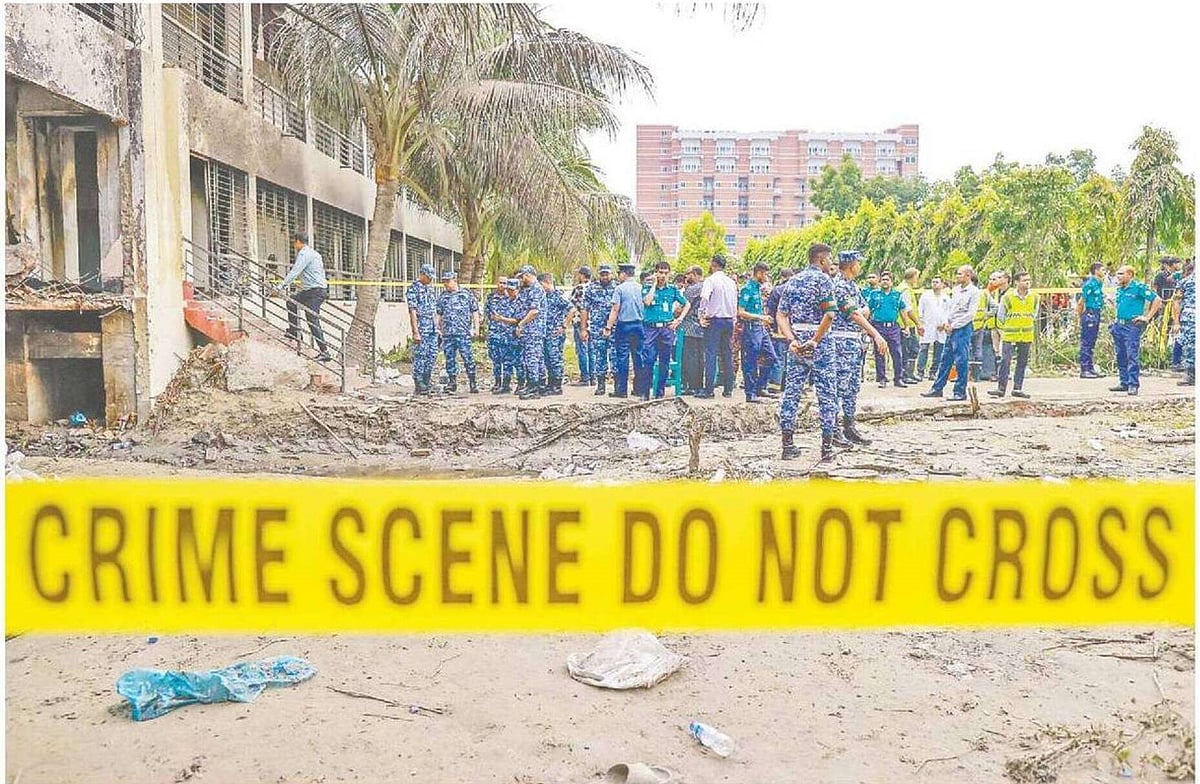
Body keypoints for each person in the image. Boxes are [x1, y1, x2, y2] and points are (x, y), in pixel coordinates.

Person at [777, 243, 840, 461]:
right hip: (820, 342)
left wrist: (792, 340)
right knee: (827, 393)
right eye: (830, 259)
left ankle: (787, 444)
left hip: (796, 340)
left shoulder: (792, 281)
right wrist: (815, 340)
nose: (831, 264)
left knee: (792, 392)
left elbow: (781, 315)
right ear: (821, 260)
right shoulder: (824, 281)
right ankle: (827, 448)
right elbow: (830, 314)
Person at [832, 251, 889, 445]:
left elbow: (865, 309)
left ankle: (849, 426)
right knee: (839, 386)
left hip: (854, 342)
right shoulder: (839, 286)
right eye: (858, 263)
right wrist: (876, 333)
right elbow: (854, 314)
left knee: (852, 387)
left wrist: (860, 313)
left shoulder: (853, 286)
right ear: (850, 265)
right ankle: (833, 428)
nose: (860, 267)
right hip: (841, 342)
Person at [921, 264, 981, 402]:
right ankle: (937, 388)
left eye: (960, 274)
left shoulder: (974, 292)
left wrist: (953, 325)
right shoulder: (955, 290)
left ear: (968, 275)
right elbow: (951, 309)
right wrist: (946, 322)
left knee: (961, 360)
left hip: (962, 328)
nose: (957, 276)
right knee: (945, 359)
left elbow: (970, 314)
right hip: (950, 327)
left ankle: (960, 391)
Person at [277, 231, 332, 362]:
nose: (294, 245)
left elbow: (296, 271)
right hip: (311, 290)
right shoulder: (314, 253)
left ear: (298, 241)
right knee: (291, 302)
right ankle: (294, 331)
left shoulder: (304, 254)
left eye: (294, 242)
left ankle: (325, 352)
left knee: (312, 319)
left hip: (315, 291)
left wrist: (281, 286)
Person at [639, 260, 689, 400]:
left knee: (664, 361)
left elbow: (686, 304)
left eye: (666, 273)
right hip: (650, 329)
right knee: (648, 360)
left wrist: (679, 320)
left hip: (666, 329)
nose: (663, 276)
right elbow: (647, 302)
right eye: (660, 272)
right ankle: (645, 393)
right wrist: (654, 284)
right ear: (656, 272)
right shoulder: (647, 287)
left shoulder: (672, 289)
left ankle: (659, 393)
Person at [1109, 264, 1162, 396]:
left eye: (1121, 274)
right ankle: (1124, 382)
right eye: (1118, 274)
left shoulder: (1138, 288)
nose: (1118, 276)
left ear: (1130, 275)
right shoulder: (1120, 289)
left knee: (1132, 355)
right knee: (1120, 354)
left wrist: (1147, 317)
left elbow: (1157, 300)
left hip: (1131, 326)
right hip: (1119, 325)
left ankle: (1133, 384)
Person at [988, 271, 1038, 398]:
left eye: (1028, 280)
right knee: (1005, 361)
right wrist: (1007, 328)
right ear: (1016, 282)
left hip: (1026, 335)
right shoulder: (1008, 297)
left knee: (1022, 362)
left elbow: (1034, 314)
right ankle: (1001, 388)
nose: (1027, 282)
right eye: (1024, 280)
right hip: (1010, 334)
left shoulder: (1034, 297)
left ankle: (1017, 388)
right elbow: (1001, 315)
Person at [697, 254, 738, 398]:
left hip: (714, 320)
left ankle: (709, 390)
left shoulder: (710, 280)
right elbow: (734, 303)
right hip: (728, 320)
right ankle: (728, 389)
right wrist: (733, 320)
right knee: (727, 354)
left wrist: (701, 316)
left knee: (711, 354)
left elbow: (704, 298)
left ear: (713, 264)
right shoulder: (731, 282)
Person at [737, 262, 777, 403]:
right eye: (765, 274)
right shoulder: (747, 289)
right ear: (759, 273)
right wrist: (761, 317)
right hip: (751, 328)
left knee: (771, 357)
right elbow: (741, 312)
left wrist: (764, 319)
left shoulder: (758, 289)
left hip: (761, 328)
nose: (767, 277)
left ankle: (760, 387)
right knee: (751, 361)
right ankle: (751, 393)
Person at [435, 270, 480, 394]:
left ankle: (472, 382)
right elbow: (439, 314)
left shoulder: (466, 294)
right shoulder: (443, 296)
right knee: (449, 358)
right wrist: (437, 329)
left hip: (463, 333)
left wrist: (476, 328)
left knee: (468, 358)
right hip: (448, 334)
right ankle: (452, 382)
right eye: (444, 281)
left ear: (455, 280)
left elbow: (475, 311)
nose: (445, 284)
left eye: (448, 281)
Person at [606, 262, 646, 399]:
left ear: (623, 274)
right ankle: (639, 389)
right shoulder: (641, 288)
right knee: (638, 357)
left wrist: (608, 327)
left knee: (622, 358)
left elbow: (615, 309)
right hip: (640, 326)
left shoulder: (620, 289)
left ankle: (621, 390)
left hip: (624, 326)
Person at [869, 271, 912, 388]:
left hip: (893, 327)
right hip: (878, 326)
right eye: (883, 279)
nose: (885, 282)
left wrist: (906, 326)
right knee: (880, 352)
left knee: (897, 353)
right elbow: (869, 310)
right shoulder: (874, 294)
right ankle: (882, 378)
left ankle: (898, 378)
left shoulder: (897, 295)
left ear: (891, 282)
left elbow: (903, 311)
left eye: (887, 280)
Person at [580, 265, 617, 396]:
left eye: (607, 274)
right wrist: (583, 329)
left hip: (614, 328)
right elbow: (584, 309)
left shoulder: (617, 287)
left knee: (615, 356)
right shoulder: (591, 288)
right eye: (602, 274)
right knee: (599, 356)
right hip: (597, 328)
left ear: (611, 274)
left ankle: (617, 385)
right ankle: (601, 384)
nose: (605, 277)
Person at [513, 264, 547, 400]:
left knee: (532, 358)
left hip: (533, 329)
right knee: (533, 357)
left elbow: (534, 311)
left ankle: (534, 387)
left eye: (522, 277)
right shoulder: (526, 289)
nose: (521, 279)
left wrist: (521, 324)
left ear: (528, 275)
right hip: (529, 330)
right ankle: (536, 385)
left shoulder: (536, 289)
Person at [539, 273, 575, 396]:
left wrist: (564, 325)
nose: (541, 288)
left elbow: (572, 309)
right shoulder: (543, 297)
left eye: (542, 285)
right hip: (545, 333)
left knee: (555, 359)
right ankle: (551, 383)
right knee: (547, 359)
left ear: (548, 282)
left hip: (555, 333)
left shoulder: (558, 296)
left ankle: (557, 385)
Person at [407, 263, 440, 395]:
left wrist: (437, 327)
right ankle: (419, 383)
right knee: (420, 355)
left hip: (432, 328)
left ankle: (427, 380)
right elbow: (413, 311)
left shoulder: (430, 288)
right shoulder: (413, 289)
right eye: (428, 277)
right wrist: (416, 332)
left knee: (431, 355)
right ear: (422, 274)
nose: (430, 279)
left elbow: (434, 310)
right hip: (422, 327)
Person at [765, 268, 794, 392]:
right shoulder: (798, 289)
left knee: (779, 357)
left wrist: (771, 328)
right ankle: (787, 385)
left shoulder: (777, 290)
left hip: (780, 329)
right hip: (795, 330)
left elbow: (771, 311)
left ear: (782, 277)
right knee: (791, 358)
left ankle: (775, 385)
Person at [915, 275, 949, 381]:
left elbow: (948, 312)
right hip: (927, 325)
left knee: (939, 349)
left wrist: (944, 324)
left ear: (942, 284)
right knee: (924, 347)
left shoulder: (946, 297)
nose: (934, 284)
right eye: (933, 282)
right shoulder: (926, 296)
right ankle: (920, 372)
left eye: (937, 282)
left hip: (940, 327)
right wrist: (920, 324)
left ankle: (933, 372)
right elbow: (920, 311)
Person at [679, 265, 707, 394]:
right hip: (703, 328)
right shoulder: (707, 287)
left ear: (695, 274)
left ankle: (690, 386)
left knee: (689, 358)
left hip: (689, 327)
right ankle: (698, 385)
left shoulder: (692, 289)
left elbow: (681, 308)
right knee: (700, 358)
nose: (686, 276)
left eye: (688, 274)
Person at [485, 279, 515, 393]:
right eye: (500, 283)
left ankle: (506, 384)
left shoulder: (512, 298)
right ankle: (497, 382)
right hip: (494, 332)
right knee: (495, 359)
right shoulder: (491, 297)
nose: (502, 285)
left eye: (504, 283)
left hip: (508, 333)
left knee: (507, 359)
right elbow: (488, 314)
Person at [971, 271, 1002, 381]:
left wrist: (986, 316)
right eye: (991, 279)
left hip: (979, 326)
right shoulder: (985, 293)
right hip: (979, 326)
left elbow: (996, 307)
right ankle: (975, 376)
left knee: (975, 350)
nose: (992, 281)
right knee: (976, 350)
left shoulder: (983, 293)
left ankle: (975, 375)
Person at [1077, 261, 1106, 378]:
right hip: (1089, 313)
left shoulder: (1099, 283)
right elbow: (1081, 302)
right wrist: (1081, 317)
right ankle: (1084, 369)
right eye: (1103, 270)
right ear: (1096, 270)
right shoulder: (1089, 284)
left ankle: (1090, 367)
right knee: (1086, 342)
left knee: (1092, 342)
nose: (1105, 272)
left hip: (1097, 313)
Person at [1172, 259, 1194, 386]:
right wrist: (1176, 321)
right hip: (1190, 317)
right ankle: (1190, 374)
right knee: (1190, 346)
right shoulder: (1185, 282)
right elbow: (1177, 301)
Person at [898, 267, 921, 383]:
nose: (917, 279)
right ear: (912, 277)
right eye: (917, 276)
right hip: (906, 325)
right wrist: (918, 323)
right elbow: (908, 309)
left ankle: (909, 373)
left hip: (905, 324)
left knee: (910, 349)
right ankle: (906, 374)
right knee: (910, 349)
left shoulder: (902, 288)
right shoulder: (905, 290)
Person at [570, 267, 593, 386]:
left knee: (581, 349)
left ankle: (585, 377)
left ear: (582, 275)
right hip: (592, 322)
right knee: (591, 349)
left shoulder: (579, 288)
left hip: (580, 322)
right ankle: (593, 377)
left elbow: (572, 306)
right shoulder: (594, 287)